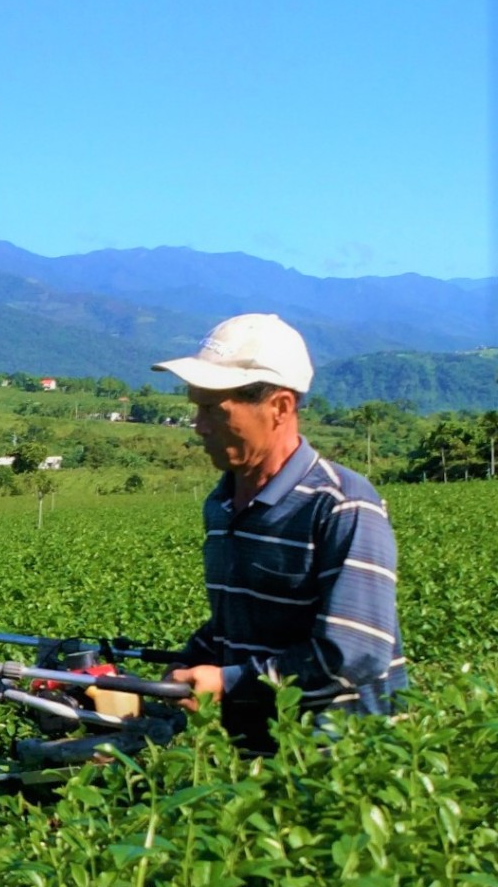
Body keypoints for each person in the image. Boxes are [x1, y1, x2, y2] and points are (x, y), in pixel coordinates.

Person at [152, 314, 408, 753]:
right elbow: (240, 620)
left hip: (337, 764)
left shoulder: (340, 504)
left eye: (214, 409)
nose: (199, 426)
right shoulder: (222, 504)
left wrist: (229, 681)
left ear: (280, 408)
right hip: (254, 756)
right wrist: (189, 662)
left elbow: (356, 651)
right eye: (197, 408)